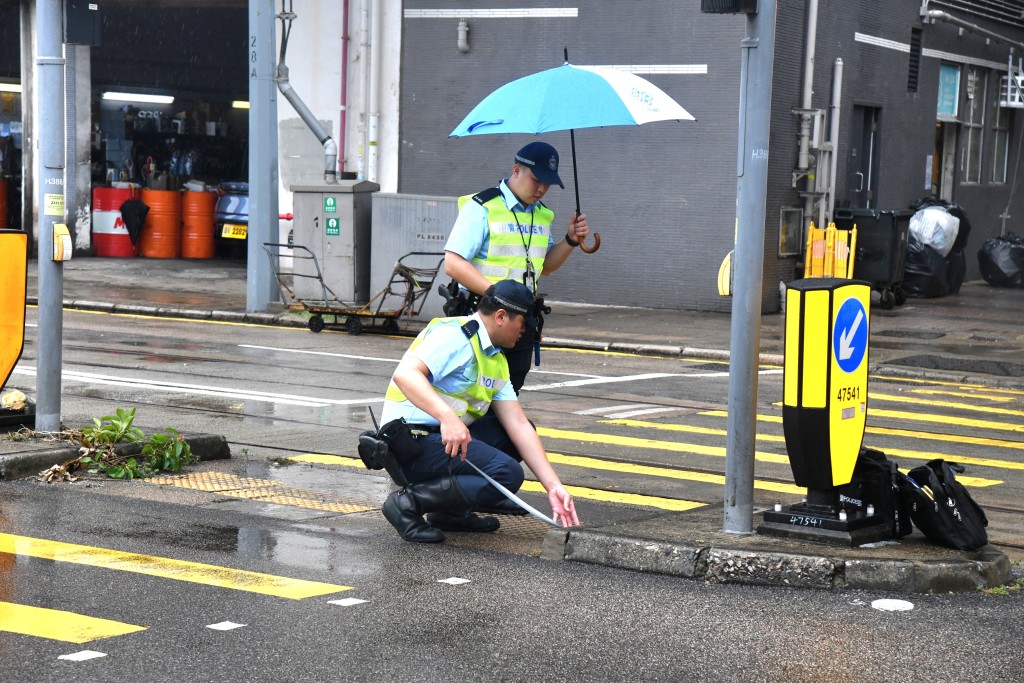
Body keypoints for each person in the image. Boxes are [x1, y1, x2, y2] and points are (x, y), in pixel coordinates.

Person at [377, 279, 580, 543]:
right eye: (523, 323)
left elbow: (517, 425)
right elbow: (405, 374)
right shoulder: (454, 336)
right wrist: (447, 417)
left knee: (518, 433)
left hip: (442, 440)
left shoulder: (495, 358)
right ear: (500, 316)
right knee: (507, 474)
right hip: (411, 443)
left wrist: (554, 487)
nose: (525, 331)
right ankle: (407, 504)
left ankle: (449, 513)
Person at [442, 141, 590, 393]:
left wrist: (570, 241)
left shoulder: (542, 214)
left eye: (548, 183)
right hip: (485, 314)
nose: (542, 189)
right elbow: (453, 264)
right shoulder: (482, 207)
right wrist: (495, 294)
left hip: (522, 320)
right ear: (517, 170)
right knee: (472, 392)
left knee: (509, 391)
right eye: (536, 180)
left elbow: (546, 267)